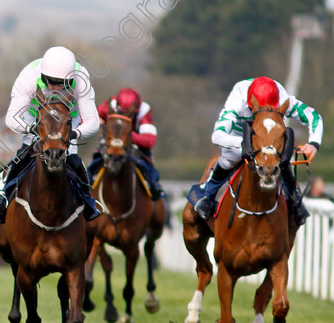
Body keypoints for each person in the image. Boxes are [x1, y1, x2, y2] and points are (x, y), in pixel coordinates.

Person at [0, 46, 102, 222]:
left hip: (67, 121)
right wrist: (32, 129)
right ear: (42, 76)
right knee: (25, 153)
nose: (55, 87)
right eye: (50, 81)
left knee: (73, 159)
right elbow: (11, 118)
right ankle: (4, 195)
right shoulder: (29, 75)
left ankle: (88, 201)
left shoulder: (82, 79)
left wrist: (74, 133)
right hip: (37, 117)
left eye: (62, 83)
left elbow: (93, 121)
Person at [189, 77, 323, 224]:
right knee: (231, 157)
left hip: (270, 138)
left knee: (282, 159)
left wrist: (314, 143)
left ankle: (294, 197)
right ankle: (207, 194)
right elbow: (217, 136)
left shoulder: (283, 99)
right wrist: (248, 144)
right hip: (240, 135)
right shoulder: (238, 99)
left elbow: (314, 116)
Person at [88, 88, 164, 199]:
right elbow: (94, 116)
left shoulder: (144, 110)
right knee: (95, 161)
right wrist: (98, 121)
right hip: (110, 142)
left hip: (133, 145)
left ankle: (155, 187)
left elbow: (149, 140)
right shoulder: (110, 104)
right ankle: (86, 184)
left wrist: (126, 136)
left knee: (147, 167)